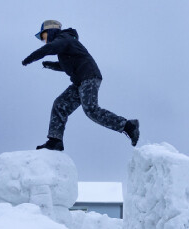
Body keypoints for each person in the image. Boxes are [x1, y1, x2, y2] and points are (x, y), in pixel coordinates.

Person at [22, 20, 140, 151]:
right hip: (80, 81)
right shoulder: (66, 45)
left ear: (51, 31)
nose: (44, 41)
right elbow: (68, 65)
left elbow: (48, 49)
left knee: (91, 109)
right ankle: (55, 141)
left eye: (43, 36)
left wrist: (29, 59)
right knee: (60, 105)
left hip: (89, 76)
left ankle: (129, 126)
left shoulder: (64, 38)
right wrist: (50, 65)